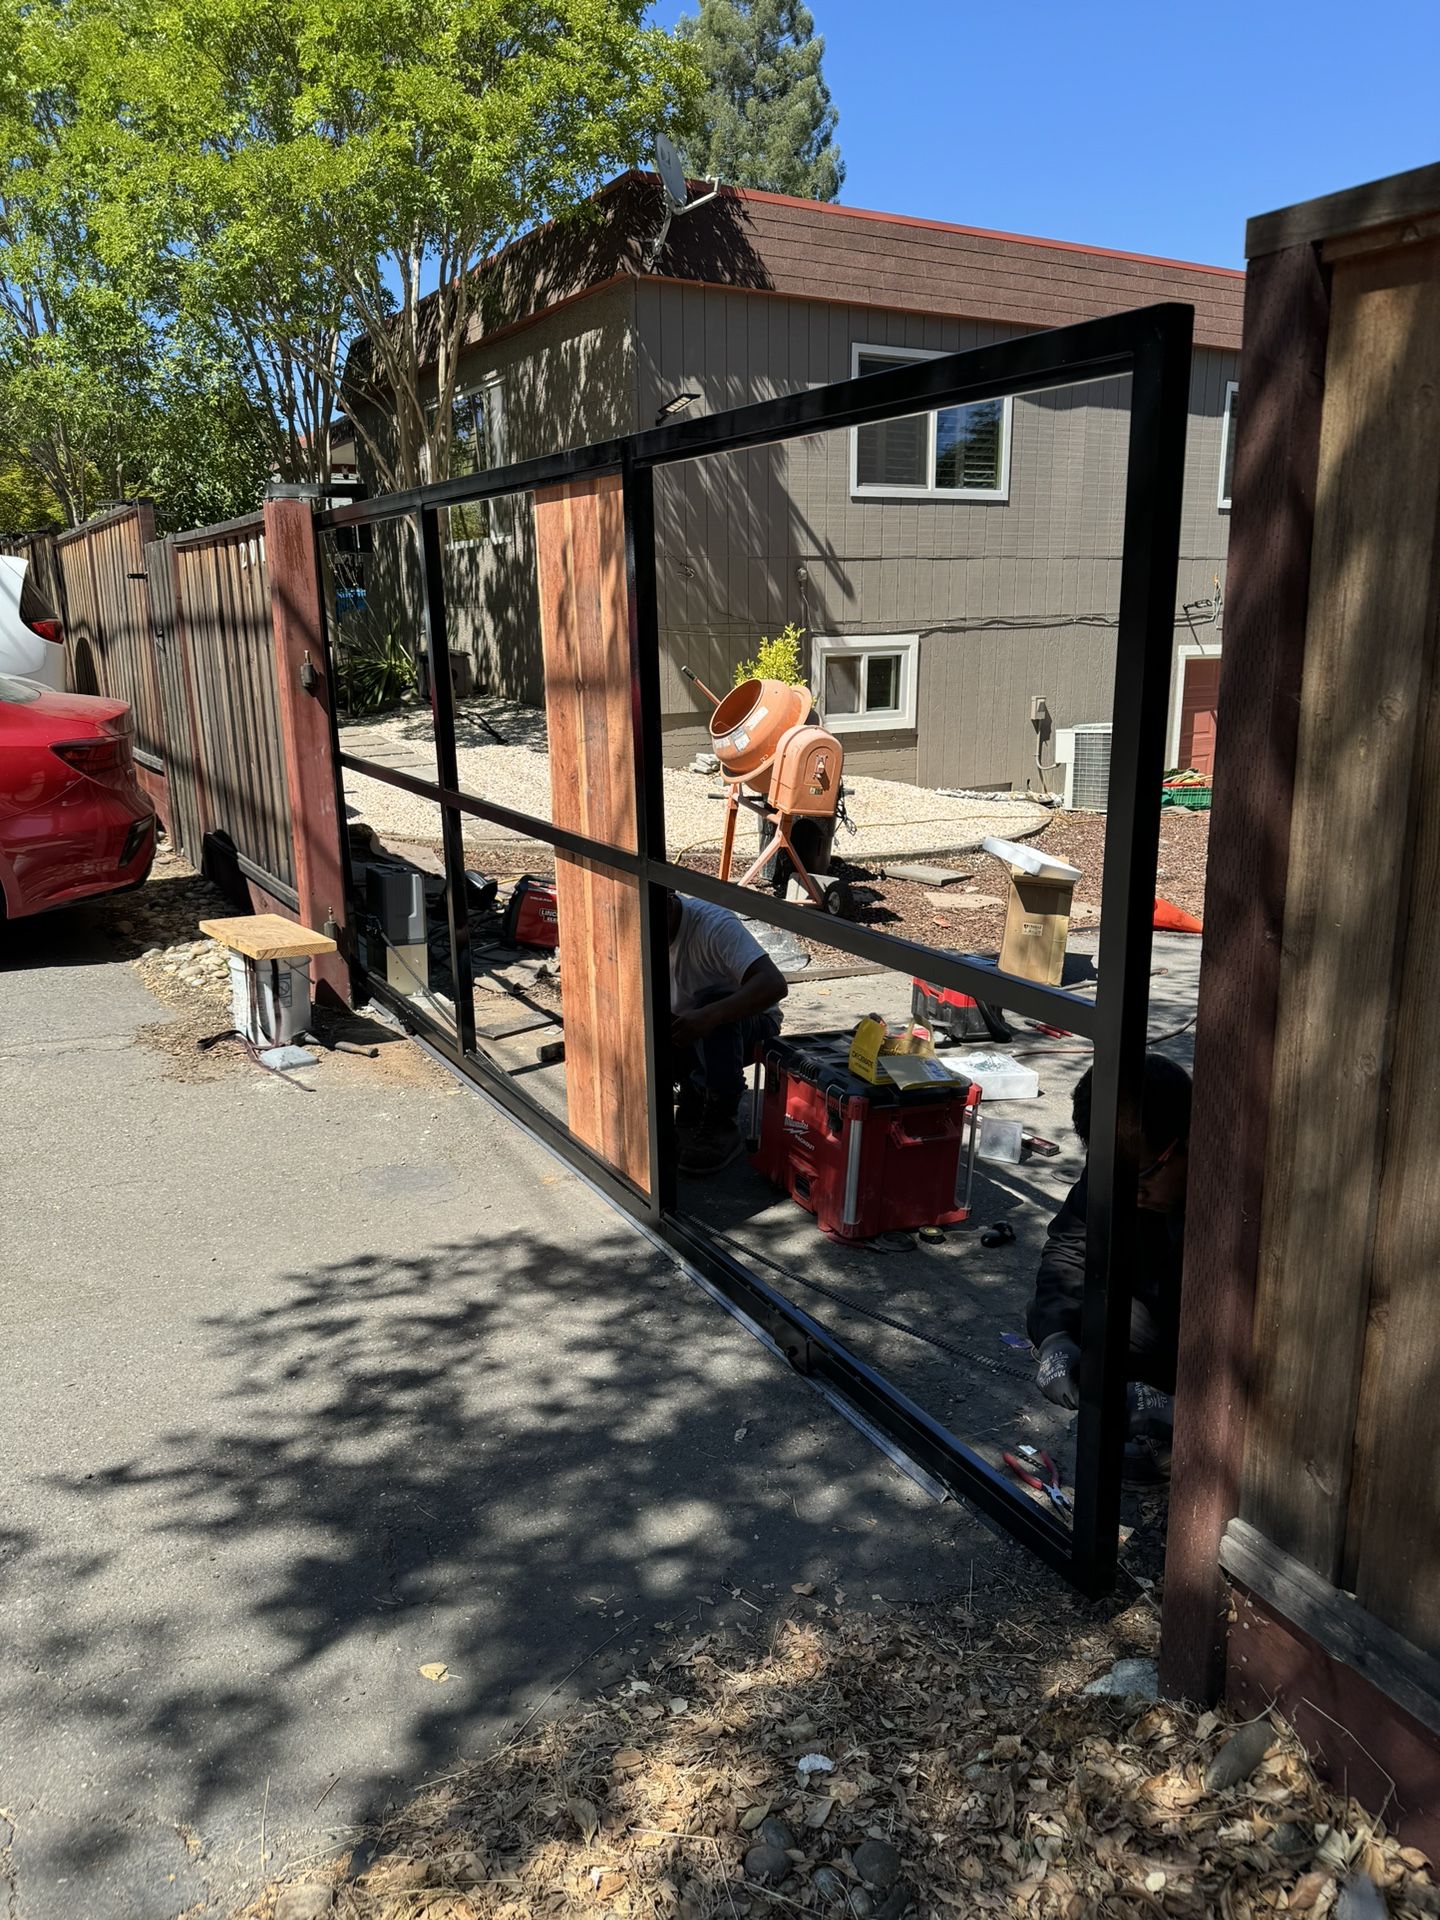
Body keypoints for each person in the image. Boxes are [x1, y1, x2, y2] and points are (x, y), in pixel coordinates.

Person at [1026, 1054, 1192, 1478]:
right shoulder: (1120, 1166)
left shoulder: (1240, 1198)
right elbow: (1070, 1249)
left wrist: (1187, 1411)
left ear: (1185, 1141)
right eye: (1118, 1178)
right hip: (1162, 1322)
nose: (1132, 1194)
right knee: (1079, 1316)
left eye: (1144, 1177)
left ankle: (1184, 1433)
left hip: (1213, 1351)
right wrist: (1055, 1339)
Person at [668, 892, 788, 1175]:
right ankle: (693, 1092)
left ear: (668, 900)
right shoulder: (632, 930)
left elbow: (774, 984)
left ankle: (723, 1120)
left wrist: (710, 1015)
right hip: (690, 1027)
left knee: (712, 1008)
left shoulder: (713, 924)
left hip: (751, 1026)